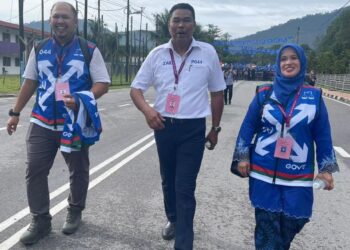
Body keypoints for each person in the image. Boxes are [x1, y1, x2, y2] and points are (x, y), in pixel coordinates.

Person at [6, 1, 110, 245]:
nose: (60, 21)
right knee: (35, 170)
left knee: (78, 170)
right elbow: (30, 82)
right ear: (50, 20)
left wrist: (83, 97)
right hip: (41, 120)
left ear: (75, 21)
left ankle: (75, 210)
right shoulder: (39, 47)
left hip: (73, 123)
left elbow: (103, 83)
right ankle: (40, 220)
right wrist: (15, 112)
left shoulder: (88, 49)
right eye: (56, 17)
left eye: (65, 17)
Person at [130, 3, 225, 250]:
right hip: (163, 127)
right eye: (176, 21)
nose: (180, 25)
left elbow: (217, 93)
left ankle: (184, 243)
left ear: (194, 25)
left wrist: (215, 128)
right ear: (169, 25)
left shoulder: (207, 53)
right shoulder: (157, 54)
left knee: (184, 186)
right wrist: (148, 111)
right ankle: (173, 219)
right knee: (168, 180)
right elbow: (136, 89)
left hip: (193, 129)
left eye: (186, 20)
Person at [232, 43, 339, 250]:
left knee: (293, 222)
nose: (288, 62)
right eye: (283, 59)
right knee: (266, 230)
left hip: (298, 177)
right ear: (277, 64)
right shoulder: (264, 93)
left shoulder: (314, 96)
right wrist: (243, 156)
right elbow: (248, 126)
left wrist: (326, 170)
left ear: (302, 62)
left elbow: (323, 135)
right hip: (263, 173)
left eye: (293, 58)